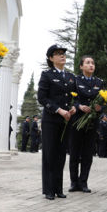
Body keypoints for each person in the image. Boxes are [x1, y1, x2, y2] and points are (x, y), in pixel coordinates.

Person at [37, 45, 77, 200]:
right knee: (49, 154)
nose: (62, 56)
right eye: (58, 54)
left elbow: (75, 97)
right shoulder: (46, 75)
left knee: (61, 154)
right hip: (51, 120)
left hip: (66, 120)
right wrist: (59, 110)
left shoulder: (70, 77)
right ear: (50, 58)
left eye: (63, 54)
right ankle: (48, 189)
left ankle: (58, 188)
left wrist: (73, 108)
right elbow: (42, 98)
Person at [68, 55, 104, 193]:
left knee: (87, 153)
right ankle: (73, 182)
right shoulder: (75, 80)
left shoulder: (99, 82)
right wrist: (79, 106)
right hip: (77, 120)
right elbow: (71, 98)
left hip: (91, 122)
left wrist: (99, 108)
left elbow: (103, 100)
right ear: (81, 66)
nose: (91, 65)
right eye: (87, 63)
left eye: (93, 63)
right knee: (75, 152)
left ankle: (83, 182)